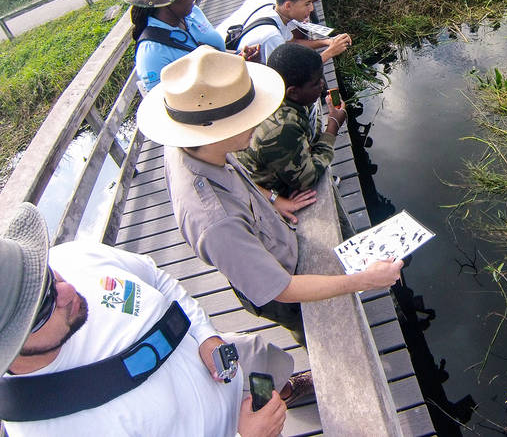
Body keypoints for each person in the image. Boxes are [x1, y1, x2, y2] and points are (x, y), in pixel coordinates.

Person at [137, 47, 404, 343]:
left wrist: (273, 199)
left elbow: (238, 173)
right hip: (283, 288)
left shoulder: (193, 145)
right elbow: (281, 289)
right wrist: (365, 280)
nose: (260, 122)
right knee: (321, 336)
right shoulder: (217, 223)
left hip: (278, 241)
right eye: (248, 118)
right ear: (216, 131)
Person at [0, 202, 304, 437]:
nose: (69, 292)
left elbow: (157, 279)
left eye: (48, 277)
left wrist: (205, 335)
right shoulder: (49, 428)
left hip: (227, 361)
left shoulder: (73, 258)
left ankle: (288, 390)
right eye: (42, 308)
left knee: (269, 367)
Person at [238, 44, 346, 204]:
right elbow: (307, 180)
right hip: (270, 191)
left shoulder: (276, 90)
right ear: (293, 92)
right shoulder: (282, 127)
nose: (323, 84)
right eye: (316, 83)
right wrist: (333, 126)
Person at [126, 0, 227, 95]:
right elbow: (164, 104)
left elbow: (217, 52)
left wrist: (239, 56)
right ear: (161, 0)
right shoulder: (152, 53)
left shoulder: (192, 13)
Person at [234, 0, 350, 64]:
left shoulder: (272, 11)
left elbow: (292, 43)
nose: (311, 8)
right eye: (307, 3)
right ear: (288, 5)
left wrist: (327, 42)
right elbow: (294, 75)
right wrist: (330, 52)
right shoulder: (272, 37)